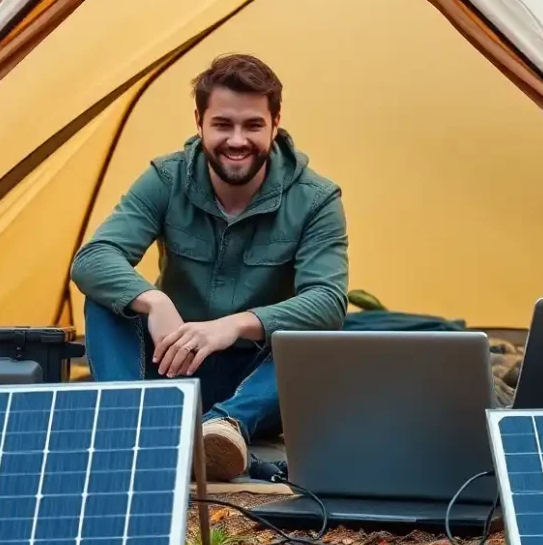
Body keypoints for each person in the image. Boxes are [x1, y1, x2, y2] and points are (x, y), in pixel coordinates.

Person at [69, 53, 349, 481]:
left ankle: (224, 427)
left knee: (320, 338)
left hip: (256, 379)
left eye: (252, 125)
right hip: (172, 361)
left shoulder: (317, 199)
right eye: (222, 124)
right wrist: (155, 301)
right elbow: (93, 258)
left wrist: (233, 325)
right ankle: (133, 419)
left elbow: (328, 301)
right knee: (106, 301)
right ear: (199, 122)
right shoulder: (166, 179)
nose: (237, 140)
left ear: (275, 124)